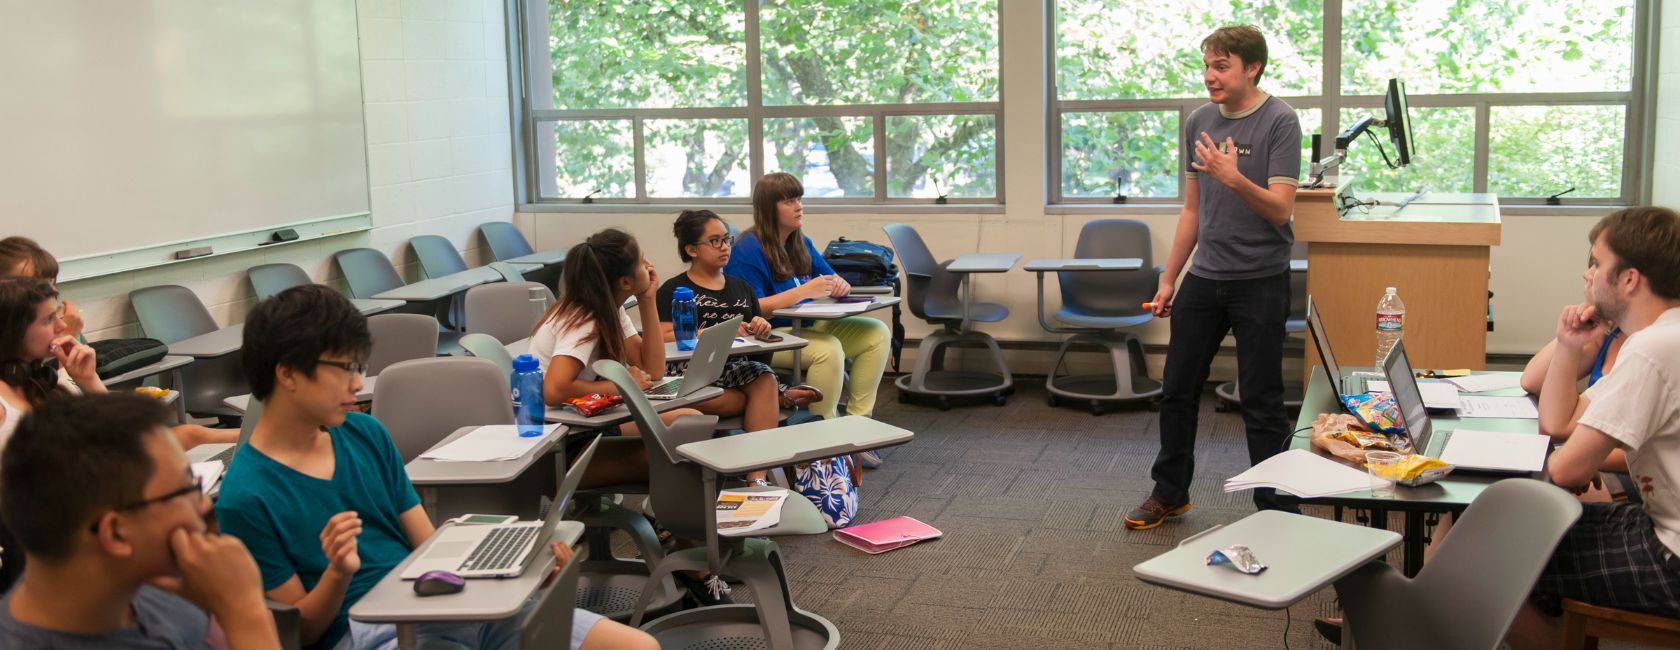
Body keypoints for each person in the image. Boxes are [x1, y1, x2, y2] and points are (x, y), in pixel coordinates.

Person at [214, 285, 654, 650]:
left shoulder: (364, 433)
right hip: (368, 634)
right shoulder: (245, 496)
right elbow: (302, 633)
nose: (356, 383)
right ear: (287, 374)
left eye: (359, 367)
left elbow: (429, 546)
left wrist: (520, 578)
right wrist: (338, 573)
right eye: (344, 368)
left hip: (439, 601)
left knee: (638, 647)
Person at [1125, 25, 1303, 530]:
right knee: (1177, 389)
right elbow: (1192, 211)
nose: (1210, 76)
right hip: (1205, 277)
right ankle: (1170, 493)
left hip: (1261, 280)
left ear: (1252, 68)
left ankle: (1276, 510)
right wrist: (1167, 280)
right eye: (1206, 65)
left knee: (1262, 399)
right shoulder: (1199, 121)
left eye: (1221, 66)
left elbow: (1280, 209)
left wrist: (1233, 176)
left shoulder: (1280, 121)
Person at [1508, 206, 1680, 649]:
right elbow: (1561, 422)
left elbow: (1568, 471)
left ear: (1629, 280)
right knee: (1522, 534)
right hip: (1659, 525)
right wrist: (1569, 344)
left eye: (1597, 263)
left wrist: (1573, 458)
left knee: (1494, 559)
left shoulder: (1651, 350)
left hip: (1671, 557)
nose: (1587, 276)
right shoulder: (1662, 337)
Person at [0, 393, 281, 649]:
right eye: (189, 489)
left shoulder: (132, 583)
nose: (205, 504)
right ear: (117, 533)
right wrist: (246, 613)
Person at [723, 173, 891, 455]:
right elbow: (749, 309)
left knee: (876, 333)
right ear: (768, 208)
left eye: (799, 199)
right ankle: (823, 440)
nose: (798, 206)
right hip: (766, 337)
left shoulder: (800, 242)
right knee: (828, 350)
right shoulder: (746, 249)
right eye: (789, 201)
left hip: (806, 327)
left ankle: (858, 425)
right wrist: (803, 291)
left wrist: (839, 284)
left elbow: (832, 278)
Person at [655, 210, 822, 485]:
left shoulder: (741, 288)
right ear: (691, 249)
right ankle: (775, 397)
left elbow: (755, 341)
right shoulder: (675, 290)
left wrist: (760, 326)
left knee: (763, 376)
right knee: (762, 390)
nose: (724, 247)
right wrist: (702, 333)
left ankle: (755, 477)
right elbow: (659, 334)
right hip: (689, 373)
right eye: (715, 241)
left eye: (726, 239)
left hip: (735, 370)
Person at [530, 228, 704, 489]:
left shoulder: (610, 307)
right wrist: (621, 384)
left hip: (586, 426)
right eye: (642, 261)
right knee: (685, 460)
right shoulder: (584, 319)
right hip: (559, 448)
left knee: (692, 421)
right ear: (624, 282)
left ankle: (665, 514)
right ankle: (668, 521)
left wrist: (647, 299)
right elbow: (554, 389)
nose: (648, 265)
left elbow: (652, 369)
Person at [0, 275, 233, 453]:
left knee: (191, 434)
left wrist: (88, 379)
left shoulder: (41, 381)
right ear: (13, 331)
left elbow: (125, 427)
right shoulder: (5, 402)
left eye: (57, 316)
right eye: (49, 320)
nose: (62, 328)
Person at [0, 237, 81, 339]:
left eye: (51, 281)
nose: (54, 291)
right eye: (36, 284)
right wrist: (64, 338)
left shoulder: (59, 322)